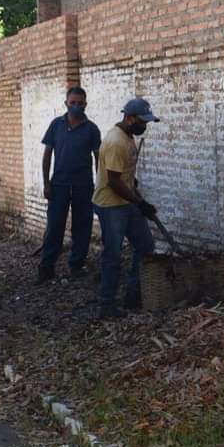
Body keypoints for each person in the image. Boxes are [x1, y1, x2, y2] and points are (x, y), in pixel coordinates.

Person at [92, 98, 160, 319]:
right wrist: (140, 203)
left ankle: (134, 293)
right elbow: (114, 182)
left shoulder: (128, 137)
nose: (144, 126)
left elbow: (127, 178)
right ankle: (106, 305)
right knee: (113, 254)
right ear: (129, 118)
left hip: (126, 201)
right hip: (111, 205)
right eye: (142, 122)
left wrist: (138, 196)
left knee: (145, 245)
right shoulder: (115, 142)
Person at [37, 87, 101, 283]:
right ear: (66, 103)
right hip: (59, 185)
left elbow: (98, 157)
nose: (76, 106)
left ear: (85, 104)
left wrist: (99, 185)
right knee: (55, 225)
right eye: (72, 102)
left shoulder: (91, 129)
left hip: (83, 186)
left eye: (80, 103)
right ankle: (46, 268)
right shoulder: (56, 125)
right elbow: (47, 154)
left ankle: (76, 265)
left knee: (82, 225)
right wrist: (46, 183)